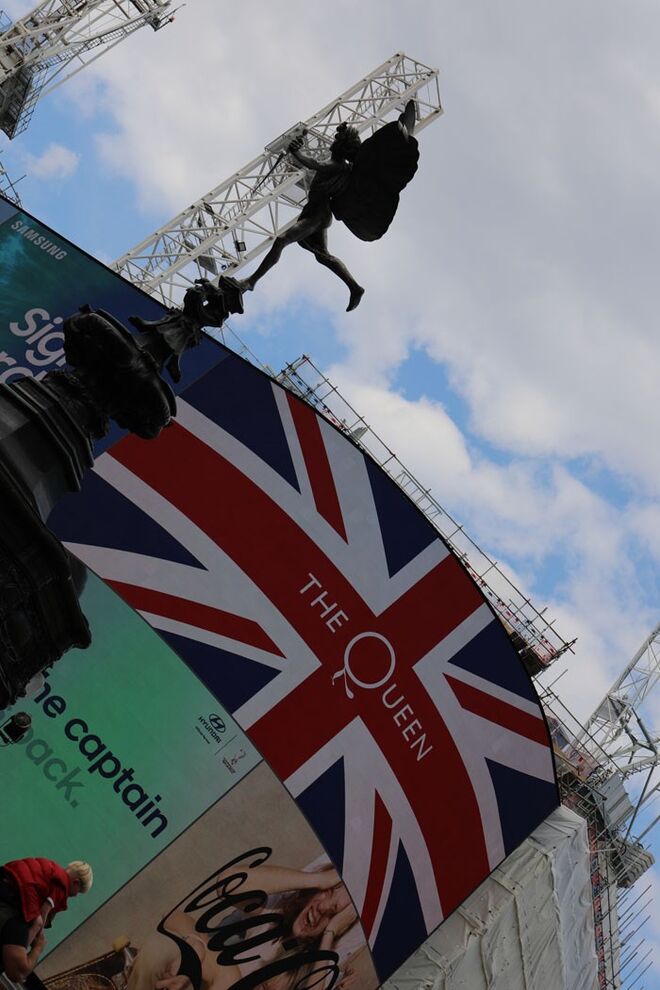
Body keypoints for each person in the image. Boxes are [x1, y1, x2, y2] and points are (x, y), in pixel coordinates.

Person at [127, 859, 361, 990]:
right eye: (328, 892)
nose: (322, 907)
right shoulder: (278, 908)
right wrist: (320, 879)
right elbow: (227, 884)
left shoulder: (322, 964)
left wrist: (330, 932)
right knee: (160, 948)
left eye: (334, 912)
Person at [0, 858, 93, 982]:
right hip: (17, 892)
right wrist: (38, 940)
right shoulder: (62, 887)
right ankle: (25, 945)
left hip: (9, 877)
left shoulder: (53, 871)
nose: (76, 895)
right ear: (76, 882)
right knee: (38, 922)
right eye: (79, 892)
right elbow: (44, 911)